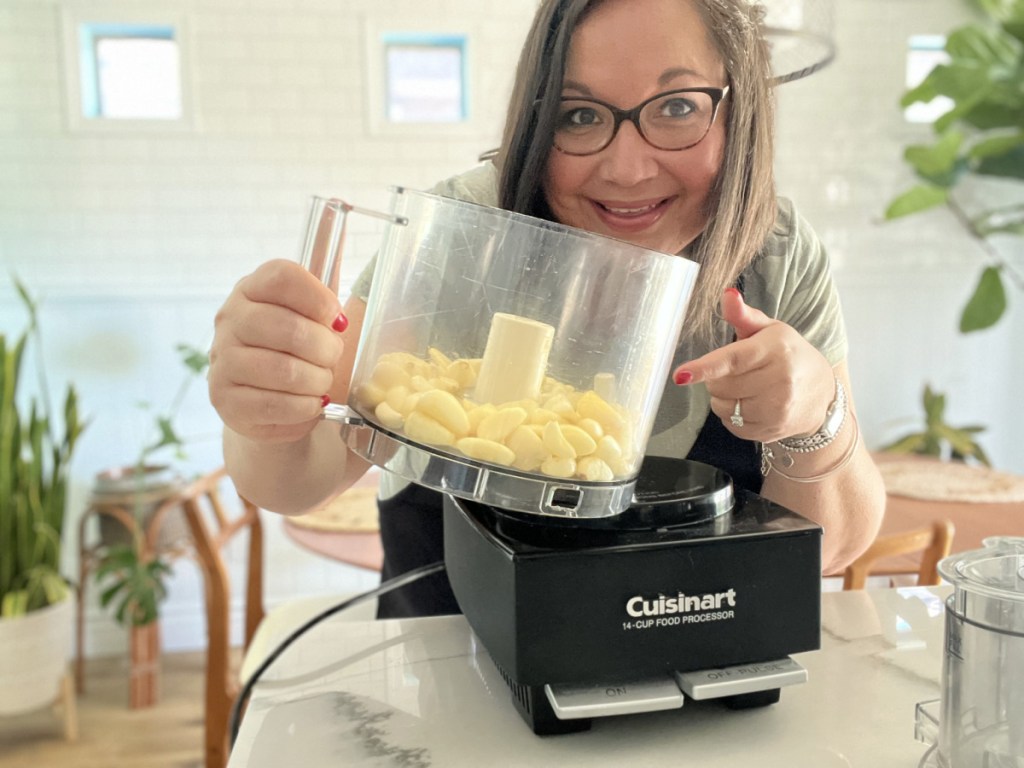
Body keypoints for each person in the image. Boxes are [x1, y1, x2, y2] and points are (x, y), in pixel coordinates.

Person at [208, 0, 886, 617]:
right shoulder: (463, 231)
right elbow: (298, 477)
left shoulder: (780, 256)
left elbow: (831, 549)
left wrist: (815, 419)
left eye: (678, 107)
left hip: (691, 683)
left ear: (741, 115)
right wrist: (263, 401)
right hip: (454, 672)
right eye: (579, 115)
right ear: (537, 118)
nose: (626, 168)